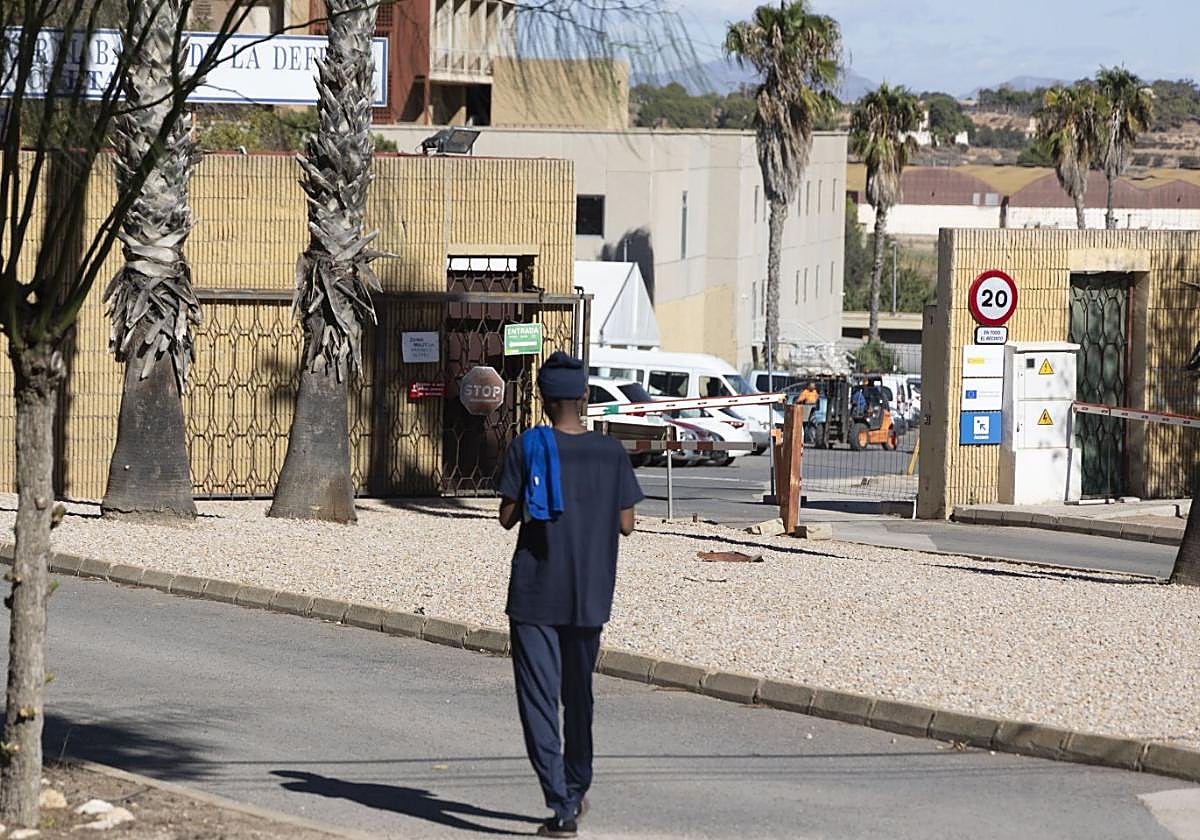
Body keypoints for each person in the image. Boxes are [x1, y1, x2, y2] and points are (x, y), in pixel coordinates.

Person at [497, 351, 644, 839]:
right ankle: (577, 788)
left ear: (543, 399)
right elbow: (627, 525)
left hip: (536, 594)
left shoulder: (528, 445)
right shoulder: (610, 453)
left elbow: (506, 516)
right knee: (578, 699)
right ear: (584, 396)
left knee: (538, 701)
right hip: (590, 595)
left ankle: (561, 805)